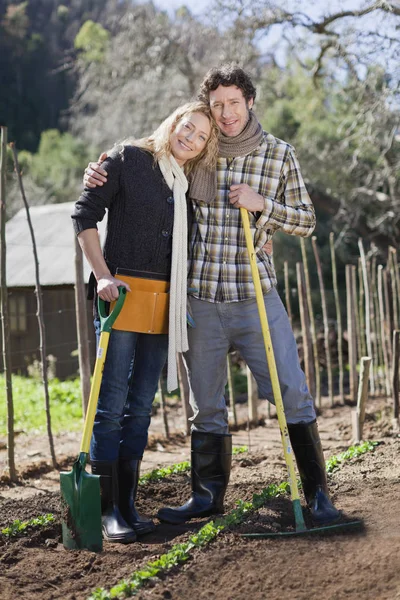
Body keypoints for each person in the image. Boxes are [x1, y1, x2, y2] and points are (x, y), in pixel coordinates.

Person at [83, 64, 340, 528]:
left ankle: (319, 496)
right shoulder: (204, 153)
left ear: (250, 102)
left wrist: (265, 207)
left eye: (233, 103)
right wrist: (103, 168)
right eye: (217, 105)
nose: (225, 114)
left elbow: (306, 221)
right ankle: (206, 497)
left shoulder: (279, 154)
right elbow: (156, 161)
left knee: (291, 390)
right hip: (198, 299)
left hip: (254, 295)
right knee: (206, 403)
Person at [72, 101, 219, 544]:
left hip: (164, 303)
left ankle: (127, 505)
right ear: (172, 122)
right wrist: (102, 275)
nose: (189, 139)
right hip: (121, 297)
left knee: (141, 407)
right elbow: (84, 214)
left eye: (199, 138)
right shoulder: (128, 158)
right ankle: (104, 511)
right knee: (111, 405)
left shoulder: (186, 183)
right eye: (186, 128)